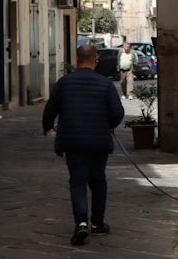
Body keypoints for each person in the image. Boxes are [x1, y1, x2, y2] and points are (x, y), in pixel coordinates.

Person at [42, 41, 125, 246]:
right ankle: (97, 223)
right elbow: (117, 114)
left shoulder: (64, 83)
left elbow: (50, 110)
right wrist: (108, 125)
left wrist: (48, 128)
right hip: (98, 141)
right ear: (95, 60)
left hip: (73, 142)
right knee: (98, 181)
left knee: (77, 182)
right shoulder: (105, 84)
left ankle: (80, 223)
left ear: (77, 60)